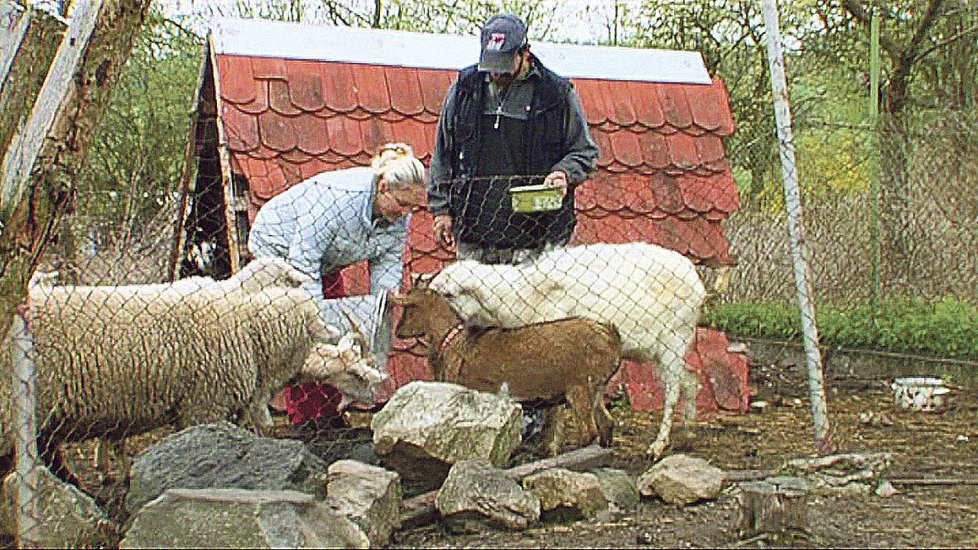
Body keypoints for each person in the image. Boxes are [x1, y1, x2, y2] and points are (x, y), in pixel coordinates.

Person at [248, 143, 426, 425]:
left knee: (338, 333)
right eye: (403, 204)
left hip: (326, 262)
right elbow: (303, 259)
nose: (406, 213)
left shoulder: (398, 217)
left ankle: (329, 415)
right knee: (302, 336)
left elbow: (387, 260)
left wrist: (381, 302)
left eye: (413, 206)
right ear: (383, 187)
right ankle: (306, 419)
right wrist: (313, 314)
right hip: (282, 254)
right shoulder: (338, 198)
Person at [427, 13, 599, 265]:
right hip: (474, 235)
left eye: (504, 66)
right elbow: (443, 152)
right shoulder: (465, 89)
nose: (496, 73)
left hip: (537, 241)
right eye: (491, 66)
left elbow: (584, 151)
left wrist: (564, 173)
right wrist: (441, 210)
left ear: (525, 53)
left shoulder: (556, 95)